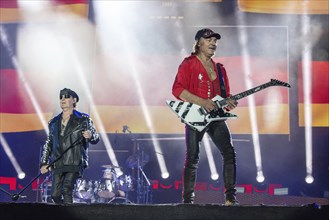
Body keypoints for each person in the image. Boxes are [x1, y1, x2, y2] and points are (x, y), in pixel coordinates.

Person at [172, 28, 239, 205]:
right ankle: (188, 200)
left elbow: (224, 95)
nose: (213, 43)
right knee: (193, 157)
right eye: (208, 39)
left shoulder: (220, 68)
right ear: (198, 43)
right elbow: (177, 90)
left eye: (215, 40)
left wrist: (228, 102)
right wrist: (202, 102)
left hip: (216, 117)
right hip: (195, 116)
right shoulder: (188, 63)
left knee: (229, 153)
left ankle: (230, 197)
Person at [40, 88, 100, 204]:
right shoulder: (53, 122)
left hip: (74, 160)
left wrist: (90, 135)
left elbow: (96, 138)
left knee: (66, 189)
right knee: (55, 195)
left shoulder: (83, 119)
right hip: (58, 162)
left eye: (66, 97)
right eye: (61, 97)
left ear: (74, 100)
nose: (63, 99)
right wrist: (44, 162)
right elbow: (49, 143)